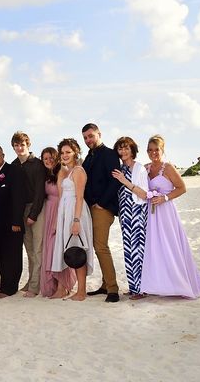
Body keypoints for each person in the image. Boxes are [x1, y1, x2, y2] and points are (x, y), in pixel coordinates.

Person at [139, 135, 200, 299]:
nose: (153, 153)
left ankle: (178, 283)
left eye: (157, 150)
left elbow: (182, 188)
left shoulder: (167, 168)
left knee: (170, 245)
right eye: (150, 150)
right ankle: (158, 283)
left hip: (166, 212)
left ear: (162, 150)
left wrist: (165, 198)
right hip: (151, 213)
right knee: (155, 247)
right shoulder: (145, 168)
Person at [81, 123, 121, 302]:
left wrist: (102, 203)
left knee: (100, 246)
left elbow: (115, 181)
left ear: (99, 134)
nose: (88, 140)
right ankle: (105, 285)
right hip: (90, 208)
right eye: (85, 138)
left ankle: (113, 289)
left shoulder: (110, 154)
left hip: (103, 208)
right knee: (99, 247)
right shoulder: (89, 156)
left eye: (91, 136)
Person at [51, 138, 94, 301]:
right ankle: (69, 289)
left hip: (76, 213)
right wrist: (58, 220)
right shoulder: (66, 171)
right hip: (65, 211)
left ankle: (81, 291)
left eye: (68, 152)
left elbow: (80, 197)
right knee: (70, 250)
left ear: (75, 152)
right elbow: (62, 195)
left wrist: (76, 221)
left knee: (78, 249)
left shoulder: (78, 171)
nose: (64, 155)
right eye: (62, 153)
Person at [110, 137, 150, 299]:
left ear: (132, 150)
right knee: (128, 250)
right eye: (120, 149)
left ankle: (142, 289)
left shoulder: (139, 168)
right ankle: (134, 287)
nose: (123, 151)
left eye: (126, 148)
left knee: (138, 250)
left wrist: (124, 181)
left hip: (138, 212)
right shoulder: (119, 168)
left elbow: (144, 194)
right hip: (125, 214)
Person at [0, 145, 25, 298]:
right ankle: (4, 286)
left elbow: (18, 197)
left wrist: (16, 222)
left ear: (3, 155)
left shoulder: (14, 171)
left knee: (12, 256)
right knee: (0, 256)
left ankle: (10, 289)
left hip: (11, 223)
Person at [10, 131, 46, 298]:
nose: (19, 148)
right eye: (16, 145)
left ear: (28, 145)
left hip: (37, 208)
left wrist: (33, 214)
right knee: (29, 249)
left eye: (22, 145)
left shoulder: (37, 164)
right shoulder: (14, 165)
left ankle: (35, 286)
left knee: (38, 249)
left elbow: (40, 192)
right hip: (21, 209)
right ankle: (32, 280)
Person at [40, 147, 76, 299]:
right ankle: (55, 286)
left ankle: (63, 287)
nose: (48, 161)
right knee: (51, 249)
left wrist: (57, 221)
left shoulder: (61, 171)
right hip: (48, 212)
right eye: (45, 159)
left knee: (59, 249)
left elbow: (63, 197)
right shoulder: (49, 174)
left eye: (51, 158)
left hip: (59, 212)